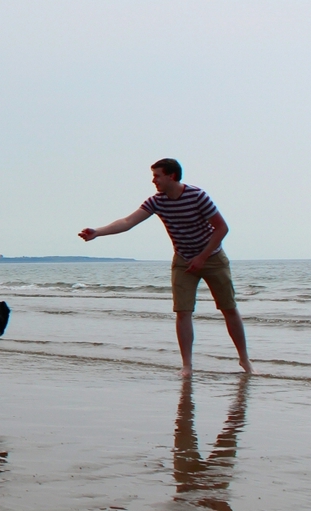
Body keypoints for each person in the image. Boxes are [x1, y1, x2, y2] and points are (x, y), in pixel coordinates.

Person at [79, 158, 252, 377]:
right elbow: (127, 222)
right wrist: (98, 232)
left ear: (171, 176)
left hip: (212, 257)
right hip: (183, 260)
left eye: (157, 176)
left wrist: (202, 256)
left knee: (228, 308)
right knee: (183, 311)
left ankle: (244, 360)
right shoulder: (157, 201)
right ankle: (187, 366)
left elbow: (221, 228)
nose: (154, 181)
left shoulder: (197, 196)